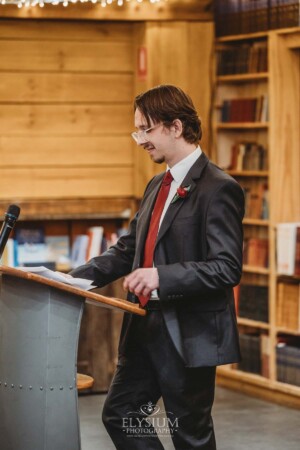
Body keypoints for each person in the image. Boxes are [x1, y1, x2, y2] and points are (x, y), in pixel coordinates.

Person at [70, 85, 244, 450]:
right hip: (143, 326)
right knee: (120, 413)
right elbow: (128, 249)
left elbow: (226, 268)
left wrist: (161, 276)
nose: (140, 140)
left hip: (188, 332)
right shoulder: (156, 184)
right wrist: (68, 280)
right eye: (138, 131)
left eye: (146, 130)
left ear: (176, 127)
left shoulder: (219, 188)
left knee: (189, 435)